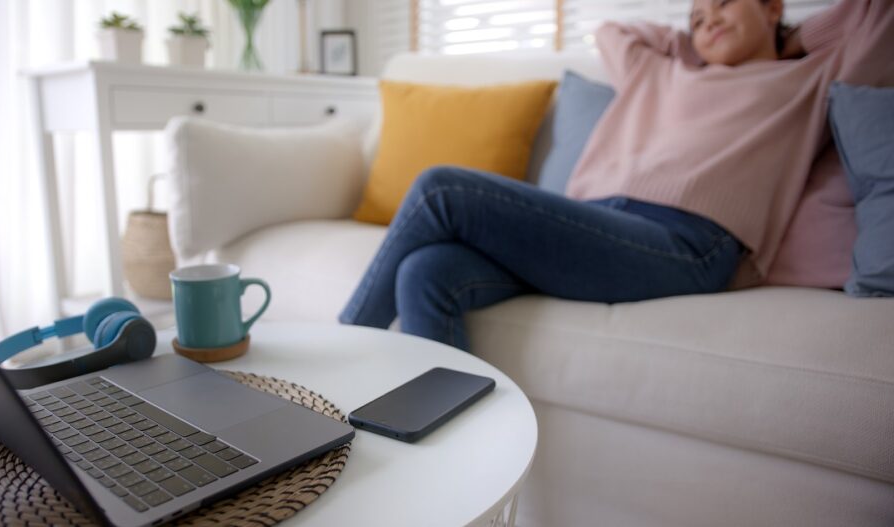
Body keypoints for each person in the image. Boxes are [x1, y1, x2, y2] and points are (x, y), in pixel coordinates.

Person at [339, 0, 893, 352]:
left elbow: (876, 15)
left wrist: (791, 37)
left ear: (773, 6)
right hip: (599, 225)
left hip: (690, 243)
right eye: (696, 17)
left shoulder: (806, 79)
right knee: (425, 272)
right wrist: (693, 42)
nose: (709, 20)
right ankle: (452, 469)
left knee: (443, 189)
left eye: (724, 4)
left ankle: (332, 364)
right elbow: (614, 32)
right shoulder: (662, 70)